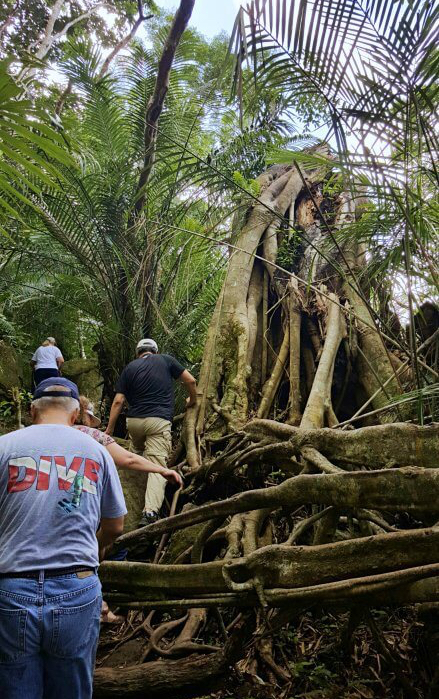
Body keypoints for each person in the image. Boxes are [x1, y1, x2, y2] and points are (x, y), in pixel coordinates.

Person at [0, 378, 127, 699]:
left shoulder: (4, 447)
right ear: (76, 415)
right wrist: (93, 552)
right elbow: (115, 525)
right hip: (76, 588)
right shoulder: (97, 451)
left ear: (32, 411)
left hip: (12, 587)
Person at [106, 338, 197, 527]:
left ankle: (126, 498)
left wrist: (109, 430)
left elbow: (118, 401)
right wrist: (192, 400)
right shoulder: (166, 360)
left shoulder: (130, 367)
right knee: (157, 465)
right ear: (155, 351)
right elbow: (190, 380)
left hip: (134, 423)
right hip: (158, 422)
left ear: (138, 352)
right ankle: (149, 512)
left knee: (136, 452)